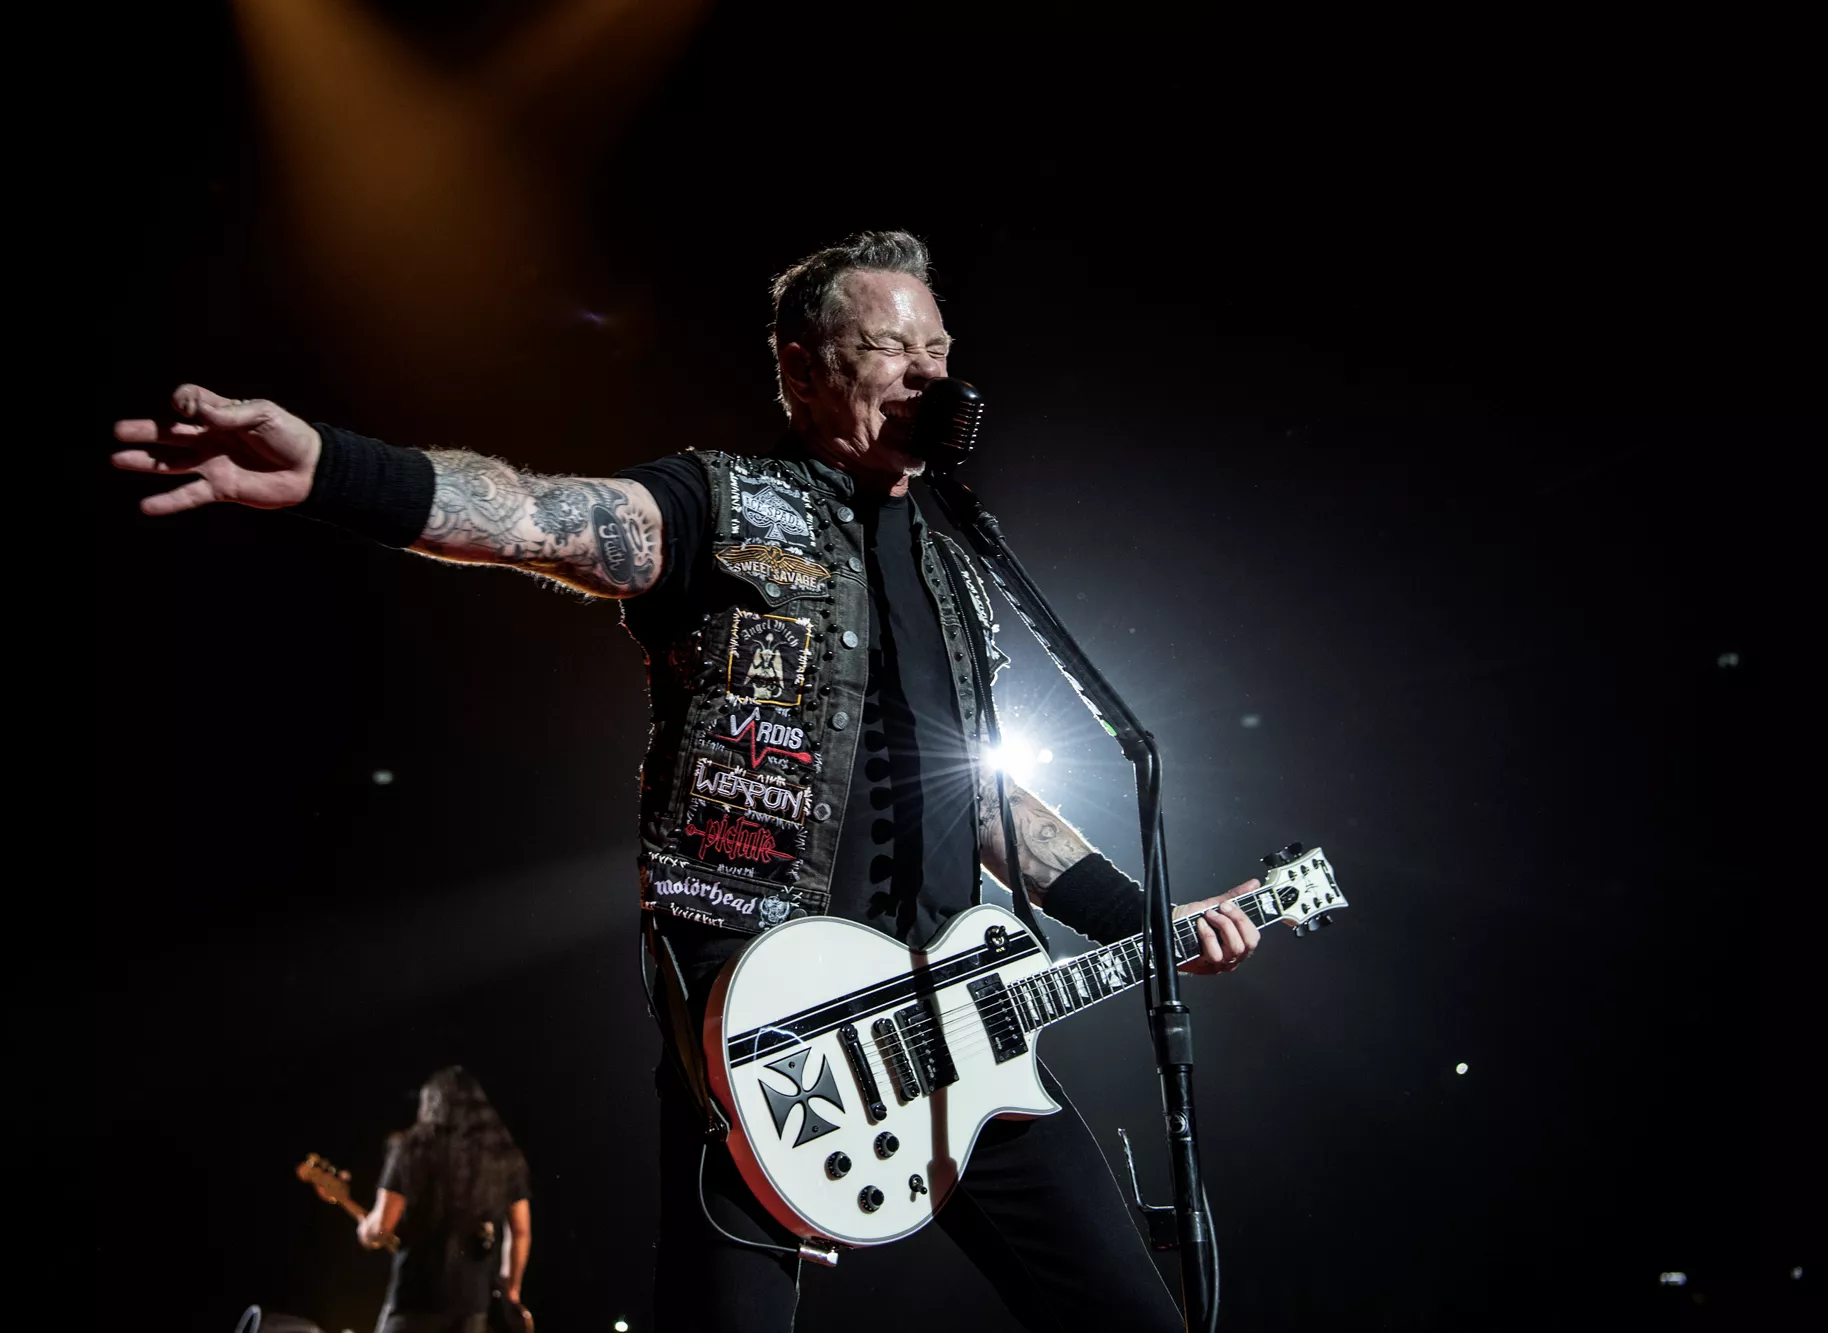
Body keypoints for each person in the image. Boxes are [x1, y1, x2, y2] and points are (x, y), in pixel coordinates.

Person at [112, 230, 1259, 1331]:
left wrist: (1148, 923)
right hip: (766, 1029)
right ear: (800, 370)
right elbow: (534, 518)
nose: (928, 373)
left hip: (954, 1024)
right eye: (891, 349)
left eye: (938, 348)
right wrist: (334, 470)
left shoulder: (959, 574)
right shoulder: (721, 505)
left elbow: (984, 802)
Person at [356, 1067, 532, 1333]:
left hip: (414, 1297)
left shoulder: (410, 1148)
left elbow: (382, 1227)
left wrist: (364, 1230)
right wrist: (512, 1287)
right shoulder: (504, 1157)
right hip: (473, 1303)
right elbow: (520, 1231)